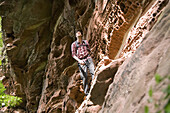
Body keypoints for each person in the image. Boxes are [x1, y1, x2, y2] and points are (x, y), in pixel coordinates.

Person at [71, 30, 95, 96]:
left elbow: (89, 49)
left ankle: (94, 86)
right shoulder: (74, 44)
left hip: (88, 58)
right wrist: (79, 61)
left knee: (93, 72)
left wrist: (91, 56)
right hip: (81, 61)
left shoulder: (85, 42)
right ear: (76, 36)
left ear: (81, 34)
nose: (78, 33)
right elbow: (73, 55)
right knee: (84, 76)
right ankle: (86, 92)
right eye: (77, 33)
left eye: (79, 32)